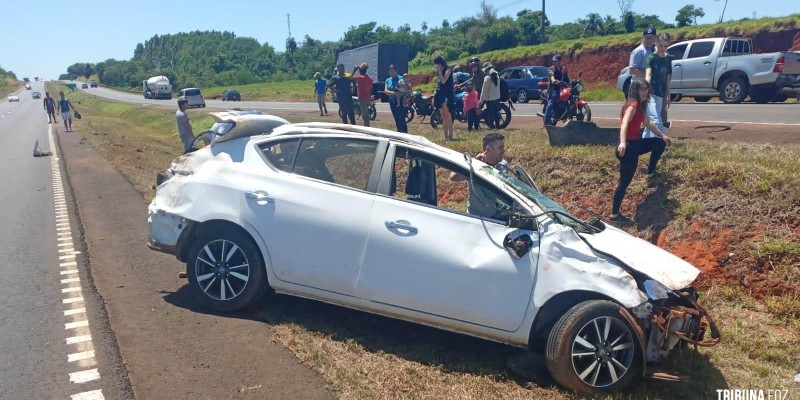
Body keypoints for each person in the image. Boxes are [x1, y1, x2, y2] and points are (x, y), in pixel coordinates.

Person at [611, 80, 672, 224]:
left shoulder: (640, 107)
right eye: (642, 89)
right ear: (635, 90)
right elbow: (624, 123)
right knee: (624, 183)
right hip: (628, 148)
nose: (646, 92)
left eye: (647, 89)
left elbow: (648, 124)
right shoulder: (633, 105)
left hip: (636, 145)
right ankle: (614, 215)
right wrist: (623, 142)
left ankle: (650, 172)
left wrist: (662, 135)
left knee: (659, 143)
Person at [450, 133, 510, 219]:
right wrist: (473, 163)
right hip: (477, 218)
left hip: (498, 217)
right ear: (488, 149)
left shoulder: (502, 165)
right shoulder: (475, 165)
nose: (503, 150)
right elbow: (454, 177)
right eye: (500, 147)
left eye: (503, 147)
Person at [642, 32, 673, 178]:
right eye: (660, 45)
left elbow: (668, 78)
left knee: (651, 123)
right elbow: (648, 75)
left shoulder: (668, 59)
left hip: (660, 94)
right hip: (651, 93)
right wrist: (646, 90)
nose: (662, 48)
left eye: (665, 46)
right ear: (655, 43)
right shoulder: (651, 58)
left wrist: (668, 95)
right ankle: (662, 145)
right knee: (655, 120)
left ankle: (641, 145)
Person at [543, 54, 570, 126]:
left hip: (562, 87)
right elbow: (551, 76)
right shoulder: (551, 68)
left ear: (559, 61)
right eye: (553, 61)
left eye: (556, 61)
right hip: (554, 88)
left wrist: (570, 85)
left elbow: (567, 79)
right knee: (550, 104)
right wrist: (554, 81)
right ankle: (546, 123)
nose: (554, 62)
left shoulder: (563, 69)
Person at [433, 56, 454, 141]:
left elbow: (444, 80)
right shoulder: (439, 72)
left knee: (447, 115)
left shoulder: (448, 69)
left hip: (446, 94)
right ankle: (445, 136)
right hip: (439, 93)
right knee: (443, 115)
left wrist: (440, 71)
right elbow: (438, 83)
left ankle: (450, 135)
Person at [384, 64, 408, 133]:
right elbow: (385, 91)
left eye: (393, 71)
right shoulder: (388, 80)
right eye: (390, 72)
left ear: (396, 71)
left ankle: (405, 133)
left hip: (401, 100)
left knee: (402, 118)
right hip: (392, 100)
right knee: (396, 118)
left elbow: (406, 88)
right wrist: (395, 93)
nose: (392, 73)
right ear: (389, 72)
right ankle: (399, 132)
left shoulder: (401, 78)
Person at [351, 63, 374, 127]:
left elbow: (350, 78)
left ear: (360, 71)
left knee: (364, 114)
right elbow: (371, 90)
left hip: (362, 98)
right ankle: (367, 125)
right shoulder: (370, 79)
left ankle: (367, 127)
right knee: (366, 112)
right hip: (368, 97)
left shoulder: (359, 77)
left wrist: (354, 70)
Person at [480, 62, 501, 129]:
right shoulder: (497, 76)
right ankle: (497, 126)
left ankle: (491, 126)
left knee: (490, 114)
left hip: (490, 100)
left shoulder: (487, 78)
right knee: (496, 113)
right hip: (497, 98)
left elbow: (484, 91)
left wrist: (481, 100)